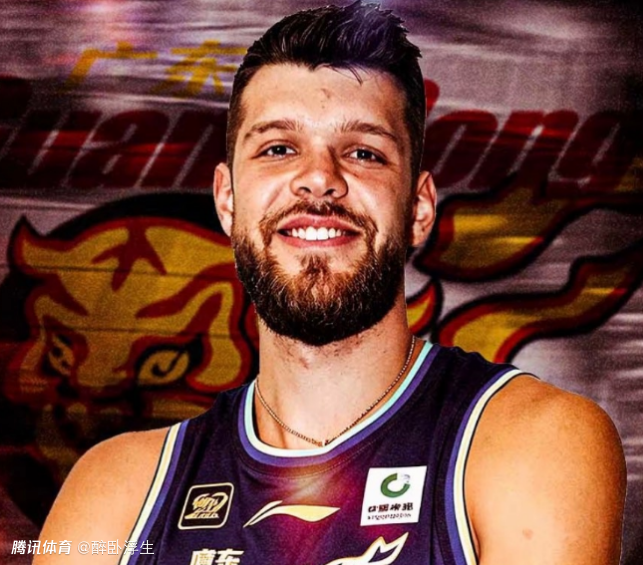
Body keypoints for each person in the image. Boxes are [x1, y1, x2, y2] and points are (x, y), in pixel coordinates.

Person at [35, 2, 626, 564]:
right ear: (227, 199)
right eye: (278, 148)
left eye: (364, 153)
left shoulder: (534, 442)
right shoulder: (116, 491)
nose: (319, 178)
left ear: (419, 208)